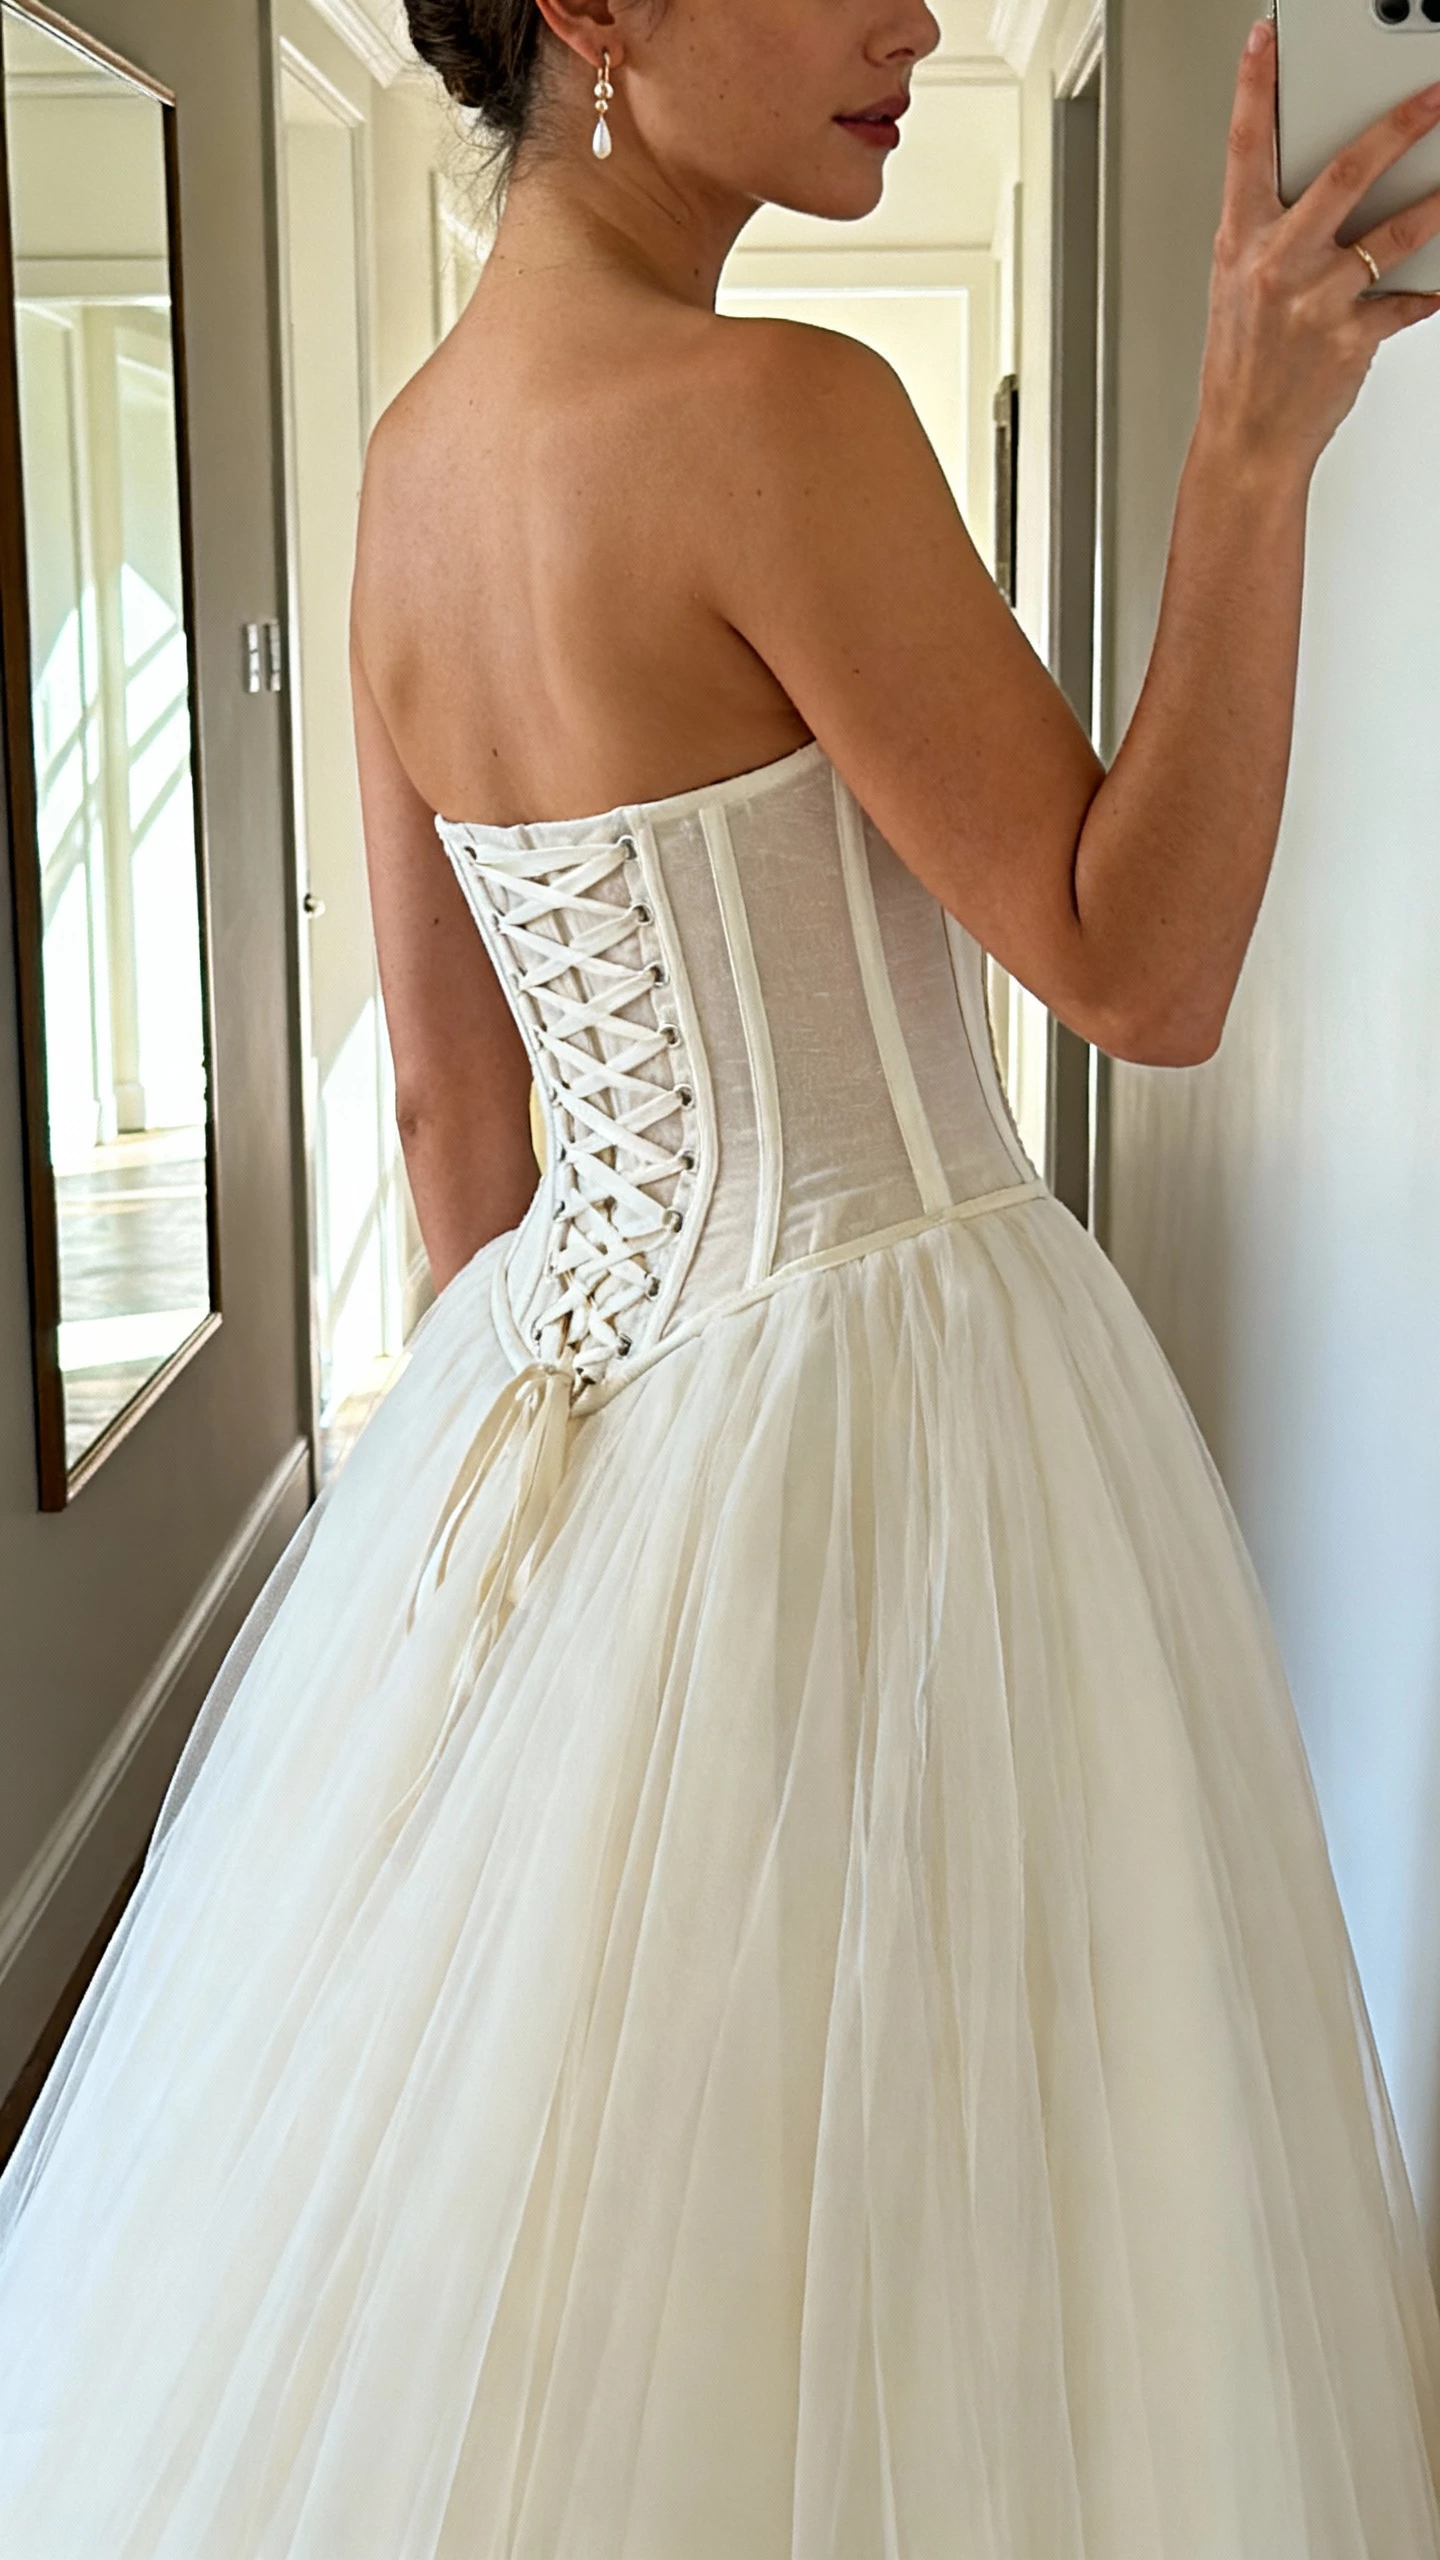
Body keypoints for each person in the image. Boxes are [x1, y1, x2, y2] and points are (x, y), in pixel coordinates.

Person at [2, 1, 1440, 2548]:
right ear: (600, 15)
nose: (917, 18)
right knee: (969, 2209)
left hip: (562, 1409)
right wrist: (1247, 453)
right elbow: (1144, 967)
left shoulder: (409, 478)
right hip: (907, 1377)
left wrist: (565, 1581)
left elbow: (463, 1122)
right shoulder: (774, 413)